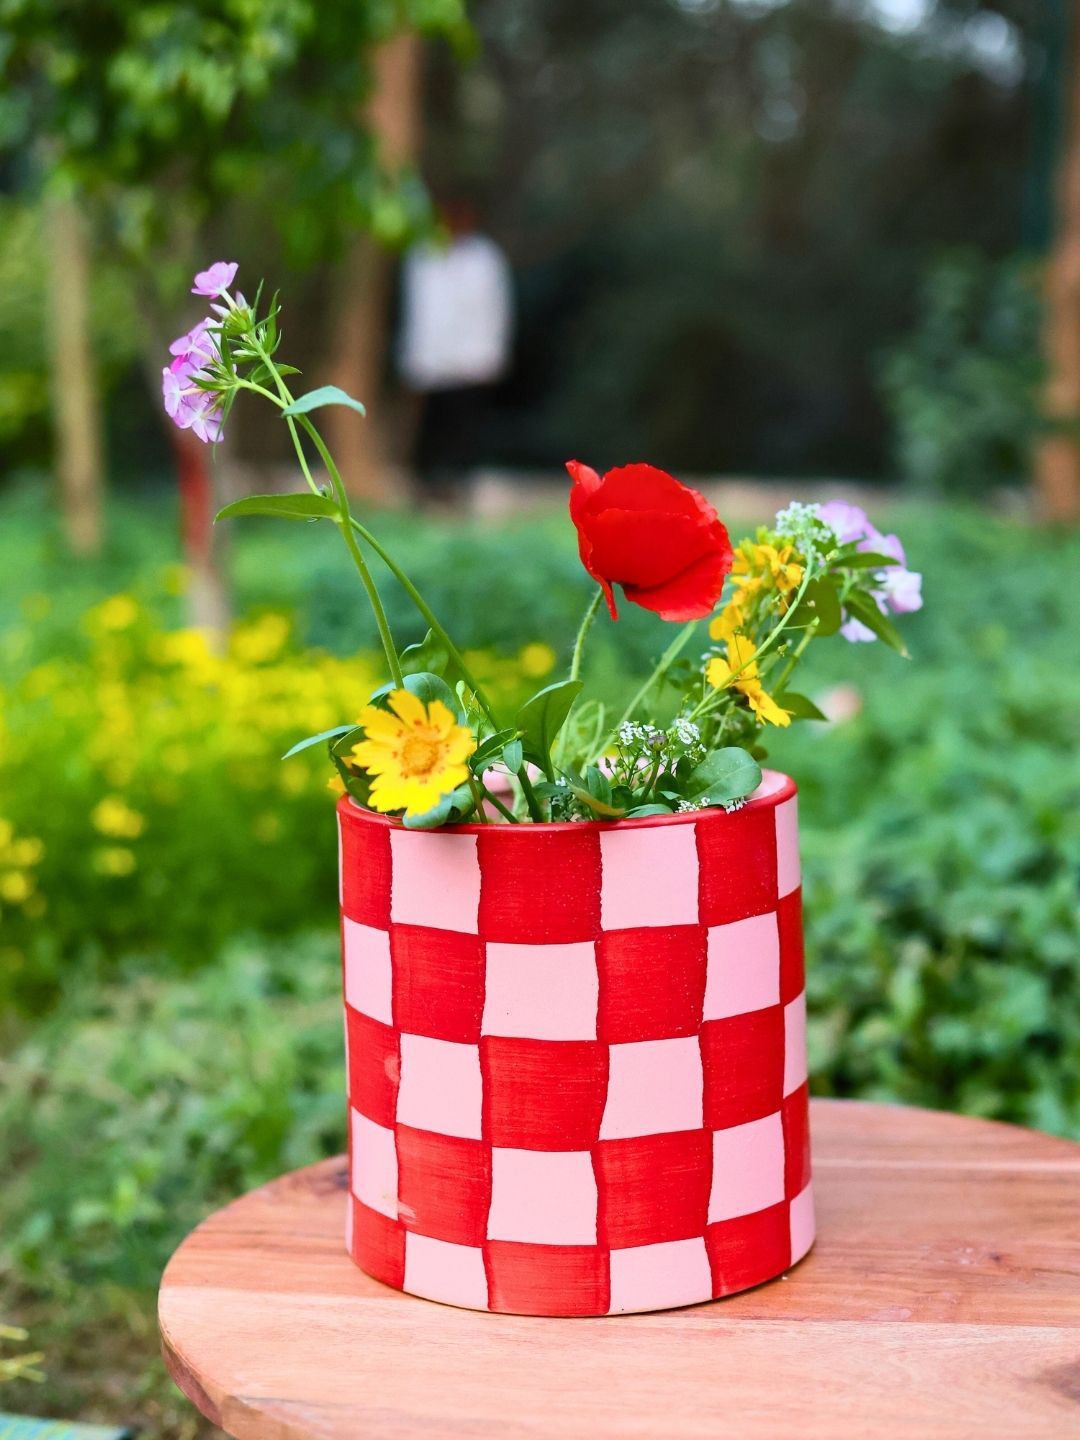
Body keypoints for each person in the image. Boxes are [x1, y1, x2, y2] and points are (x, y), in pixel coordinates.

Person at [397, 199, 514, 499]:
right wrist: (413, 358)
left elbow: (497, 310)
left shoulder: (486, 259)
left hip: (473, 360)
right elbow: (417, 310)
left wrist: (494, 353)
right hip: (431, 361)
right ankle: (426, 485)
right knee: (431, 427)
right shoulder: (423, 255)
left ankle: (460, 485)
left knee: (464, 427)